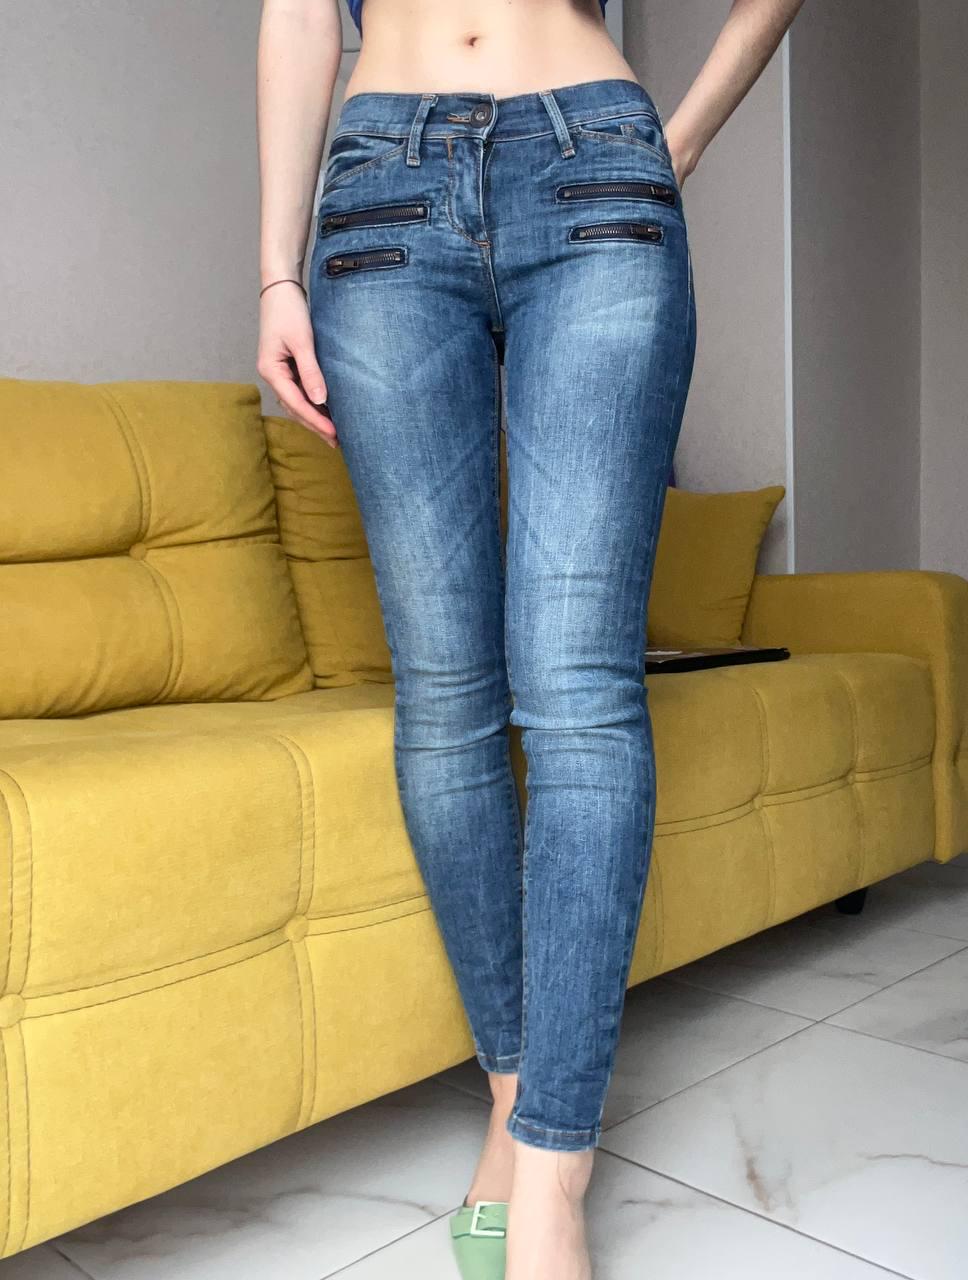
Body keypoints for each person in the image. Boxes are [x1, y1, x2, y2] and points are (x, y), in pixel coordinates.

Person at [256, 2, 805, 1276]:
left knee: (574, 687)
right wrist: (275, 269)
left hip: (592, 164)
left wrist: (671, 141)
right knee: (445, 695)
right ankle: (517, 1102)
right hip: (379, 191)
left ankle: (551, 1177)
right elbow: (296, 15)